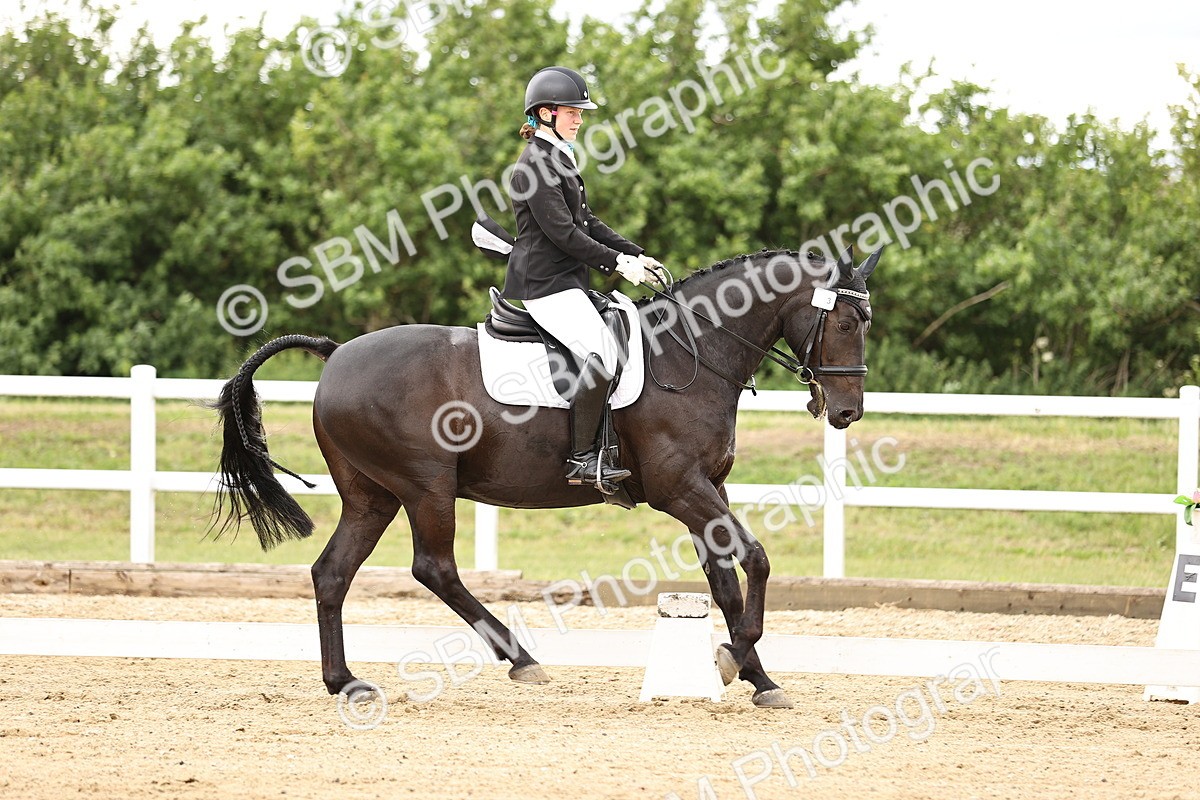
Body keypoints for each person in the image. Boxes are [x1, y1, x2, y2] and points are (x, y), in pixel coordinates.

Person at [501, 65, 664, 494]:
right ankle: (582, 459)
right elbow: (565, 235)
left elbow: (587, 221)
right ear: (545, 112)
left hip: (567, 282)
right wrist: (617, 264)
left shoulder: (558, 157)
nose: (579, 119)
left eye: (579, 112)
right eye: (572, 111)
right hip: (545, 286)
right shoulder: (532, 167)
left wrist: (635, 254)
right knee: (602, 352)